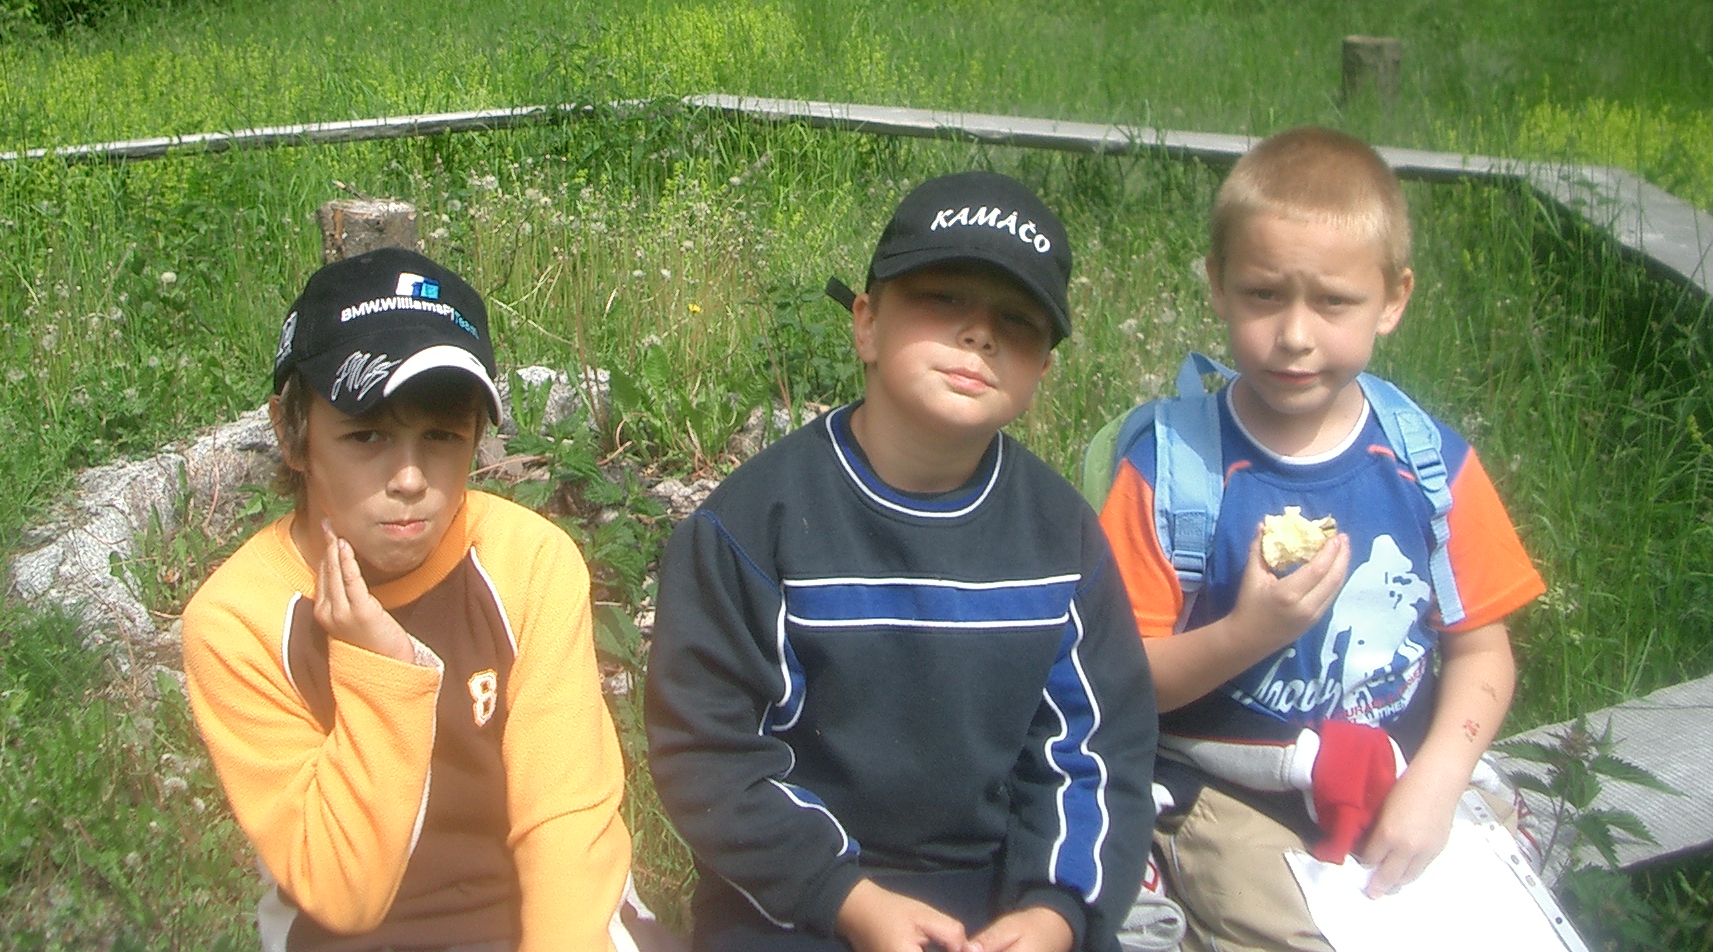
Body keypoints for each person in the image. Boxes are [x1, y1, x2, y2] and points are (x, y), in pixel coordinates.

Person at [647, 173, 1158, 952]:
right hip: (798, 893)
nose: (979, 335)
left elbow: (1095, 752)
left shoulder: (1064, 541)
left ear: (1041, 375)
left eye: (1017, 321)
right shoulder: (751, 526)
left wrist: (1055, 912)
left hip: (1002, 893)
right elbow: (710, 754)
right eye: (944, 299)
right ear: (867, 325)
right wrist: (850, 901)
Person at [1096, 127, 1545, 952]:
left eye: (1334, 302)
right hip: (1229, 786)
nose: (1295, 334)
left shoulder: (1428, 466)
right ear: (1218, 286)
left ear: (1393, 300)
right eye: (1264, 294)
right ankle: (1149, 864)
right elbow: (1114, 679)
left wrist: (1438, 781)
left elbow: (1483, 651)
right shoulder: (1172, 472)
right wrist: (1248, 635)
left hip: (1395, 770)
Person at [182, 246, 638, 952]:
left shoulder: (528, 562)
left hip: (543, 916)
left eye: (441, 436)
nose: (409, 478)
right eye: (366, 435)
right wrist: (383, 670)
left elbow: (565, 823)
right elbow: (343, 891)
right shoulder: (238, 621)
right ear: (292, 434)